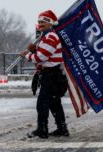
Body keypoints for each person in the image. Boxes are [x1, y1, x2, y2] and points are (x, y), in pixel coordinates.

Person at [20, 10, 69, 139]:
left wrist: (27, 55)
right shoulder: (46, 37)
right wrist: (34, 50)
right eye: (39, 22)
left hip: (51, 76)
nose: (40, 24)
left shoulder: (50, 37)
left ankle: (42, 129)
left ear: (50, 23)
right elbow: (44, 54)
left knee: (42, 103)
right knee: (54, 103)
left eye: (43, 22)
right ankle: (62, 128)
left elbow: (41, 57)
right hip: (51, 75)